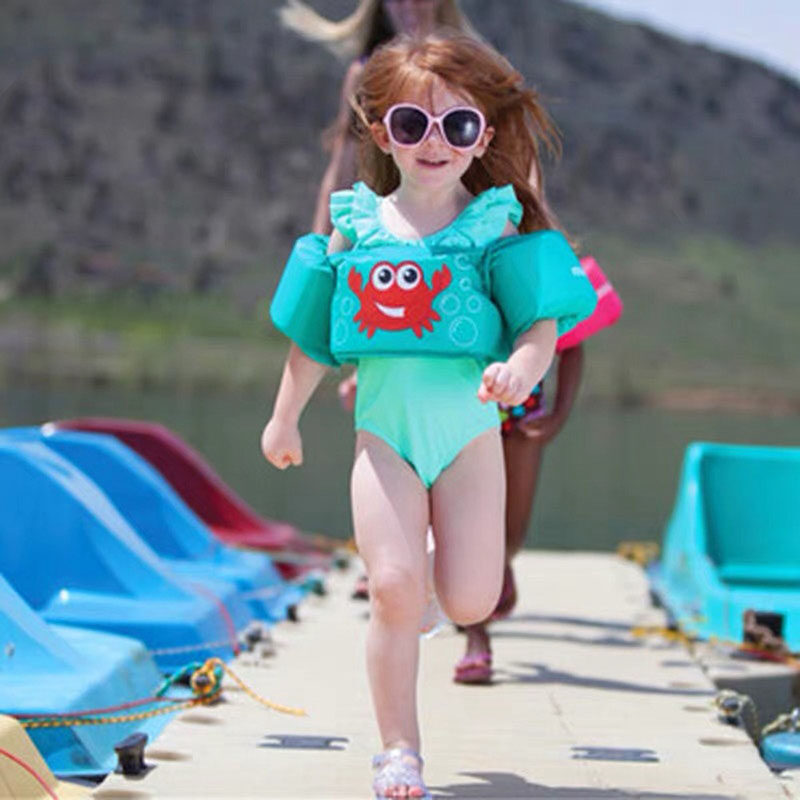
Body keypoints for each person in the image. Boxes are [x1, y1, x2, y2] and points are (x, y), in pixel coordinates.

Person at [261, 33, 597, 798]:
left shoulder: (494, 227)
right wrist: (285, 418)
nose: (434, 142)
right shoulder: (357, 224)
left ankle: (437, 591)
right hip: (384, 437)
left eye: (457, 124)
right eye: (412, 124)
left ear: (482, 136)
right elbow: (312, 335)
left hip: (470, 437)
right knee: (390, 587)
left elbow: (541, 325)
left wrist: (521, 371)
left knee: (474, 598)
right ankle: (399, 753)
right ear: (383, 135)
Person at [278, 0, 477, 236]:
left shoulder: (472, 69)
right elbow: (343, 167)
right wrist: (319, 244)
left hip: (460, 227)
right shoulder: (366, 74)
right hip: (390, 230)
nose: (409, 6)